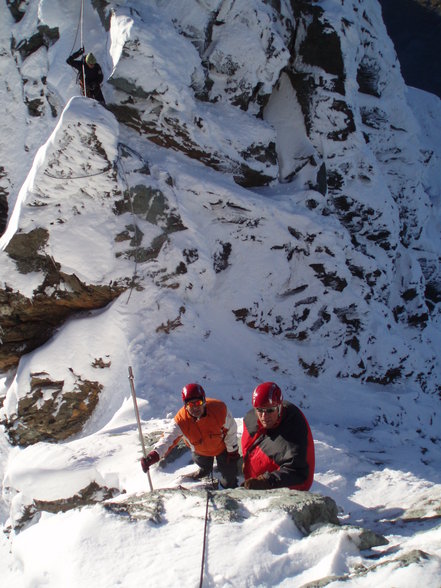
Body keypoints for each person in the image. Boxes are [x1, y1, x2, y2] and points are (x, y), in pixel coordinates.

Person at [140, 383, 240, 488]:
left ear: (204, 401)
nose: (195, 407)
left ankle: (225, 477)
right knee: (204, 464)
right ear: (185, 405)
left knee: (229, 482)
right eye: (190, 405)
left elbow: (231, 431)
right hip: (200, 451)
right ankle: (206, 469)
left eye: (198, 402)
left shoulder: (219, 410)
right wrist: (154, 455)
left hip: (221, 449)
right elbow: (168, 439)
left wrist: (232, 451)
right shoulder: (181, 420)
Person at [241, 382, 315, 490]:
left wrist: (266, 481)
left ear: (280, 407)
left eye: (270, 410)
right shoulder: (251, 419)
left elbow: (298, 473)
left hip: (269, 494)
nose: (264, 416)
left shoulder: (293, 434)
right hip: (252, 483)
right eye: (259, 410)